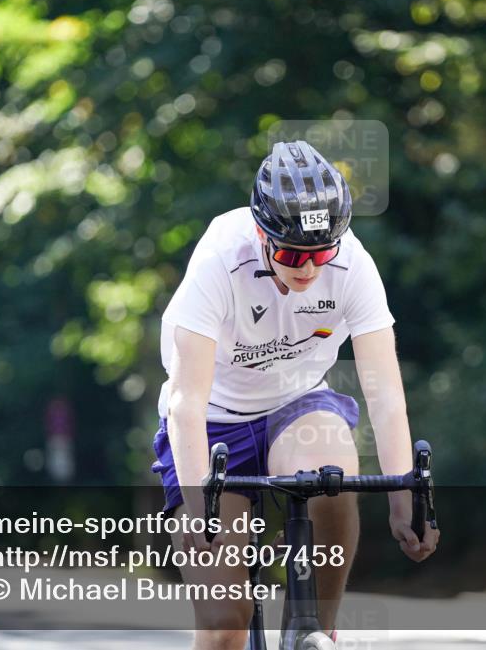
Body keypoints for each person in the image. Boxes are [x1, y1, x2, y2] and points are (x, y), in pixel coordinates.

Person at [151, 139, 439, 650]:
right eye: (290, 254)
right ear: (262, 235)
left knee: (333, 475)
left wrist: (403, 502)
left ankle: (316, 630)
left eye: (320, 254)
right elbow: (185, 401)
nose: (307, 269)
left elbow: (385, 392)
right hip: (212, 420)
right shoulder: (221, 257)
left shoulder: (353, 264)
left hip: (297, 402)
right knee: (224, 622)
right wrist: (200, 507)